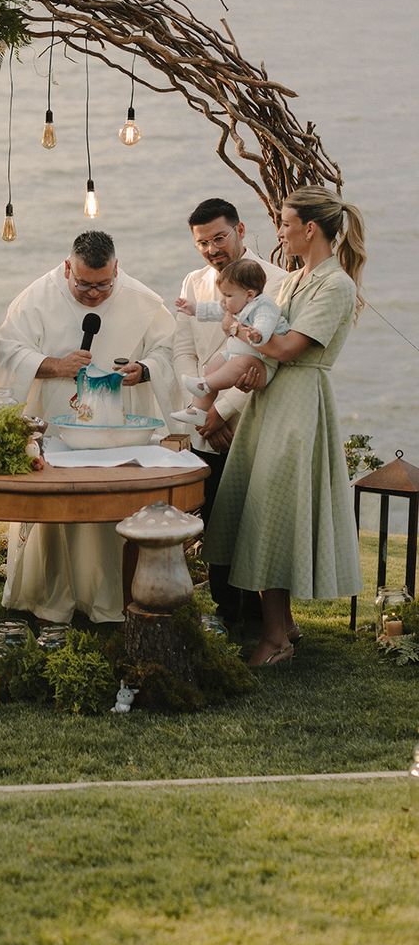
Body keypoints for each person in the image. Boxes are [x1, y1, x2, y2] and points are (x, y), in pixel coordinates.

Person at [202, 186, 366, 666]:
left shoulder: (335, 285)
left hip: (298, 408)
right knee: (257, 512)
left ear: (308, 229)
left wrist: (237, 332)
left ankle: (274, 640)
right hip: (269, 402)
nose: (280, 231)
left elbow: (290, 347)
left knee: (273, 514)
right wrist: (252, 366)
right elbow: (268, 347)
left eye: (285, 223)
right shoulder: (293, 280)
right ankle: (284, 624)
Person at [0, 230, 180, 624]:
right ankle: (52, 598)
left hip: (119, 431)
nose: (94, 294)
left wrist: (143, 370)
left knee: (111, 512)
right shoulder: (36, 298)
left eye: (103, 285)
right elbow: (10, 351)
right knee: (61, 509)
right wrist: (54, 365)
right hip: (59, 429)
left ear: (117, 269)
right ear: (66, 269)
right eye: (83, 285)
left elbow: (169, 350)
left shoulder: (143, 302)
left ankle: (112, 599)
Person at [173, 198, 286, 626]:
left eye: (219, 237)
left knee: (254, 515)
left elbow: (266, 360)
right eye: (203, 242)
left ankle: (264, 612)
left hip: (252, 415)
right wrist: (202, 413)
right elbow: (183, 348)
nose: (212, 249)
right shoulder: (194, 281)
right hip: (204, 414)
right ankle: (228, 609)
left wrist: (221, 411)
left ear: (240, 229)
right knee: (215, 513)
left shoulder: (276, 281)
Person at [173, 258, 290, 422]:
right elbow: (213, 309)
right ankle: (197, 411)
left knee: (239, 364)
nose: (224, 300)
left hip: (261, 364)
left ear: (249, 294)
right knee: (213, 366)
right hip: (234, 355)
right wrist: (193, 308)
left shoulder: (264, 305)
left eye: (228, 295)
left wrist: (258, 333)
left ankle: (204, 385)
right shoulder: (237, 304)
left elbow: (265, 321)